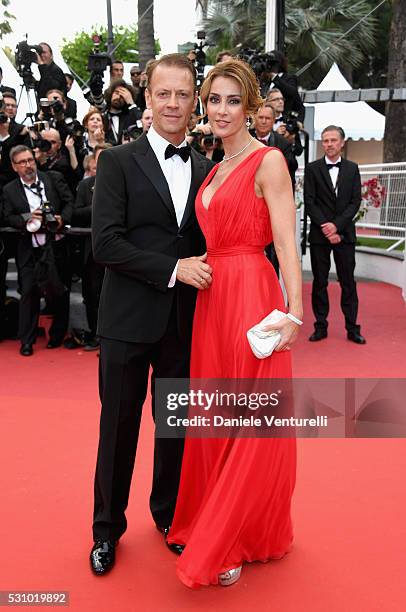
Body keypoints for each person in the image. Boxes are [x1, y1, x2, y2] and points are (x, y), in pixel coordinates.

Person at [167, 59, 302, 588]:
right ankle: (215, 521)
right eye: (214, 100)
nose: (221, 110)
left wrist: (292, 311)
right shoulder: (213, 165)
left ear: (250, 107)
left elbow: (289, 244)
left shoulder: (268, 161)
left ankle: (231, 536)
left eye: (232, 101)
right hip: (212, 297)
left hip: (251, 294)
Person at [89, 53, 214, 575]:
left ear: (194, 102)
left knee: (175, 430)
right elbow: (106, 244)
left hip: (185, 327)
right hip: (125, 322)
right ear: (147, 97)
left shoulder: (209, 169)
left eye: (183, 94)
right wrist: (174, 268)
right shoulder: (118, 161)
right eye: (164, 93)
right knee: (118, 428)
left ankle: (169, 519)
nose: (173, 103)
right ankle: (105, 531)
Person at [2, 145, 73, 355]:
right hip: (29, 249)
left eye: (30, 160)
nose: (28, 165)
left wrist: (63, 218)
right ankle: (27, 340)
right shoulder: (9, 190)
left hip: (56, 245)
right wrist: (28, 217)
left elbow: (70, 202)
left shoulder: (52, 178)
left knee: (59, 292)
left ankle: (57, 336)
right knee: (28, 293)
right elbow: (8, 217)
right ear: (14, 167)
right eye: (22, 162)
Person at [305, 125, 366, 344]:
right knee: (319, 282)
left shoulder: (352, 168)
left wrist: (337, 227)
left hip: (344, 235)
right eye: (325, 140)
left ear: (342, 142)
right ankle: (320, 326)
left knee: (348, 282)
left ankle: (353, 328)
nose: (329, 144)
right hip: (320, 236)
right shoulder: (312, 169)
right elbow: (310, 202)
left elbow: (355, 202)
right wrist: (325, 226)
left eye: (333, 140)